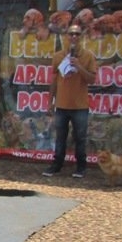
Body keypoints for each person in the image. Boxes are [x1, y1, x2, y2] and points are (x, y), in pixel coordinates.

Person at [44, 24, 97, 177]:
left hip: (80, 106)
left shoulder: (88, 56)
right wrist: (50, 101)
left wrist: (79, 66)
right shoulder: (58, 56)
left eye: (77, 34)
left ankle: (81, 167)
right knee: (60, 137)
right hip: (61, 104)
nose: (74, 36)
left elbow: (92, 79)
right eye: (71, 34)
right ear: (66, 36)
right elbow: (54, 80)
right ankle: (57, 165)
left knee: (80, 137)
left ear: (81, 37)